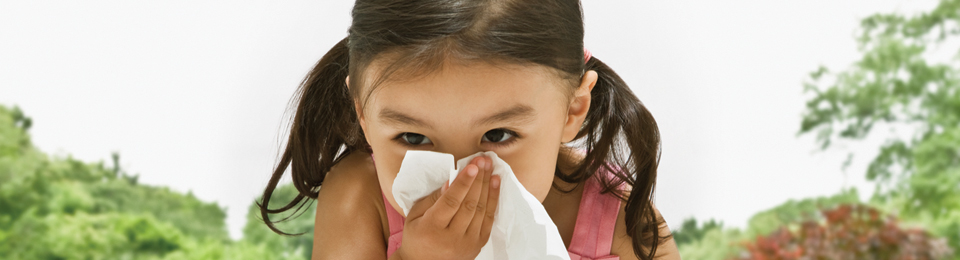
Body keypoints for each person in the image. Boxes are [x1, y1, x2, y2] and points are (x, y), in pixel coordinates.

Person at [258, 0, 680, 259]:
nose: (460, 173)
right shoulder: (360, 197)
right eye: (413, 138)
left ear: (573, 109)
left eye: (497, 135)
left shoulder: (623, 223)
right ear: (363, 116)